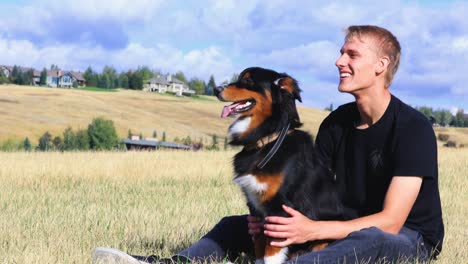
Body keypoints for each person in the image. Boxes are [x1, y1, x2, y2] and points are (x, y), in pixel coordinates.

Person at [93, 25, 444, 263]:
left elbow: (392, 222)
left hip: (407, 238)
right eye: (341, 53)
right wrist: (271, 222)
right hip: (340, 227)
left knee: (370, 240)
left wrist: (312, 230)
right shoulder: (336, 123)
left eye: (351, 55)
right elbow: (310, 193)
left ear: (381, 65)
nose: (339, 61)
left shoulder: (412, 128)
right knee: (234, 225)